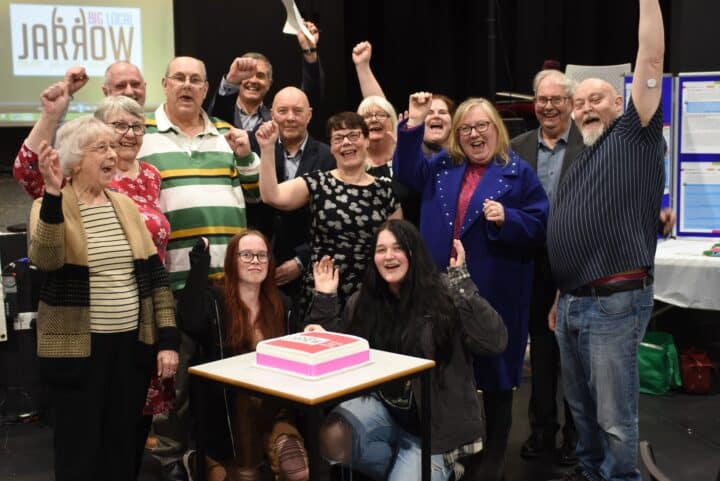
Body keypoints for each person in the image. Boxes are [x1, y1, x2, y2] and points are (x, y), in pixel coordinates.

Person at [394, 92, 549, 481]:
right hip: (439, 290)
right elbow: (406, 173)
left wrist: (508, 218)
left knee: (496, 377)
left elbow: (539, 226)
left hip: (495, 290)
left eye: (482, 126)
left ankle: (492, 461)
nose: (475, 134)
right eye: (466, 128)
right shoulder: (442, 165)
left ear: (496, 129)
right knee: (444, 369)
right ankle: (450, 454)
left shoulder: (518, 172)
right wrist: (414, 124)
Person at [546, 1, 666, 480]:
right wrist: (562, 294)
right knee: (582, 414)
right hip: (573, 302)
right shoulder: (581, 159)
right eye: (579, 103)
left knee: (615, 419)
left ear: (620, 101)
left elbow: (651, 59)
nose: (585, 108)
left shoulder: (635, 136)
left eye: (596, 99)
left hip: (613, 302)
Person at [28, 116, 179, 481]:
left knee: (123, 447)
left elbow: (155, 276)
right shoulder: (48, 206)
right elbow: (46, 260)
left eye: (113, 146)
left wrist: (167, 341)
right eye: (101, 148)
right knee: (79, 454)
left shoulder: (124, 206)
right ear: (75, 160)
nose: (113, 154)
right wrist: (52, 196)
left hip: (130, 348)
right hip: (78, 353)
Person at [304, 219, 508, 481]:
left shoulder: (445, 292)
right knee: (332, 435)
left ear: (414, 253)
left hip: (436, 434)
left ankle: (437, 467)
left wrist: (462, 284)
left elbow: (495, 342)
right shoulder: (364, 301)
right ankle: (404, 466)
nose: (389, 256)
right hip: (388, 415)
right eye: (381, 250)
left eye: (398, 248)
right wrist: (325, 299)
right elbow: (341, 356)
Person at [137, 55, 260, 481]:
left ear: (207, 89)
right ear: (165, 84)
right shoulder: (143, 134)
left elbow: (254, 193)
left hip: (229, 282)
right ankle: (172, 461)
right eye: (179, 78)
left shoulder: (227, 133)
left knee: (227, 379)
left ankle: (218, 458)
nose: (187, 85)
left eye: (196, 80)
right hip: (173, 279)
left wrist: (247, 157)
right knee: (175, 383)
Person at [179, 232, 309, 481]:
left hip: (275, 404)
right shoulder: (216, 300)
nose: (255, 261)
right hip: (230, 409)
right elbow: (190, 320)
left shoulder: (282, 304)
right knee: (244, 475)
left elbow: (296, 350)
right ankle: (200, 460)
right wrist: (199, 266)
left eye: (262, 255)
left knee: (297, 469)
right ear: (232, 260)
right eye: (246, 255)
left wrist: (311, 328)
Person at [257, 112, 401, 326]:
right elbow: (271, 195)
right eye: (338, 138)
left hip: (372, 290)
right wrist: (267, 149)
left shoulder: (384, 189)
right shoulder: (318, 182)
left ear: (366, 141)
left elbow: (398, 242)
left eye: (353, 136)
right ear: (331, 147)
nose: (346, 143)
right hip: (323, 288)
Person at [510, 69, 583, 465]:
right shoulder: (517, 147)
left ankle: (576, 435)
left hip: (578, 261)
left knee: (574, 354)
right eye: (542, 99)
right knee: (540, 351)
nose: (549, 106)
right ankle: (541, 430)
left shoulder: (590, 144)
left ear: (570, 103)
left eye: (557, 99)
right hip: (531, 263)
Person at [247, 86, 335, 312]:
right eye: (282, 111)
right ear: (271, 114)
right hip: (258, 265)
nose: (290, 118)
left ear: (309, 115)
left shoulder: (328, 156)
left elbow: (331, 219)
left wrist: (302, 260)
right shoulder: (255, 148)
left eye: (297, 111)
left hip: (310, 271)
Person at [207, 21, 324, 135]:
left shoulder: (277, 118)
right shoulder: (221, 112)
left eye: (260, 76)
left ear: (269, 83)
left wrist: (310, 51)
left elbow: (309, 98)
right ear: (238, 80)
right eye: (247, 75)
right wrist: (230, 81)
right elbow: (217, 114)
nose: (253, 80)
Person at [352, 40, 456, 157]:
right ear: (419, 123)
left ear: (453, 122)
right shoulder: (406, 147)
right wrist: (363, 67)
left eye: (442, 112)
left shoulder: (463, 153)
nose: (436, 116)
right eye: (429, 113)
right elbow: (379, 106)